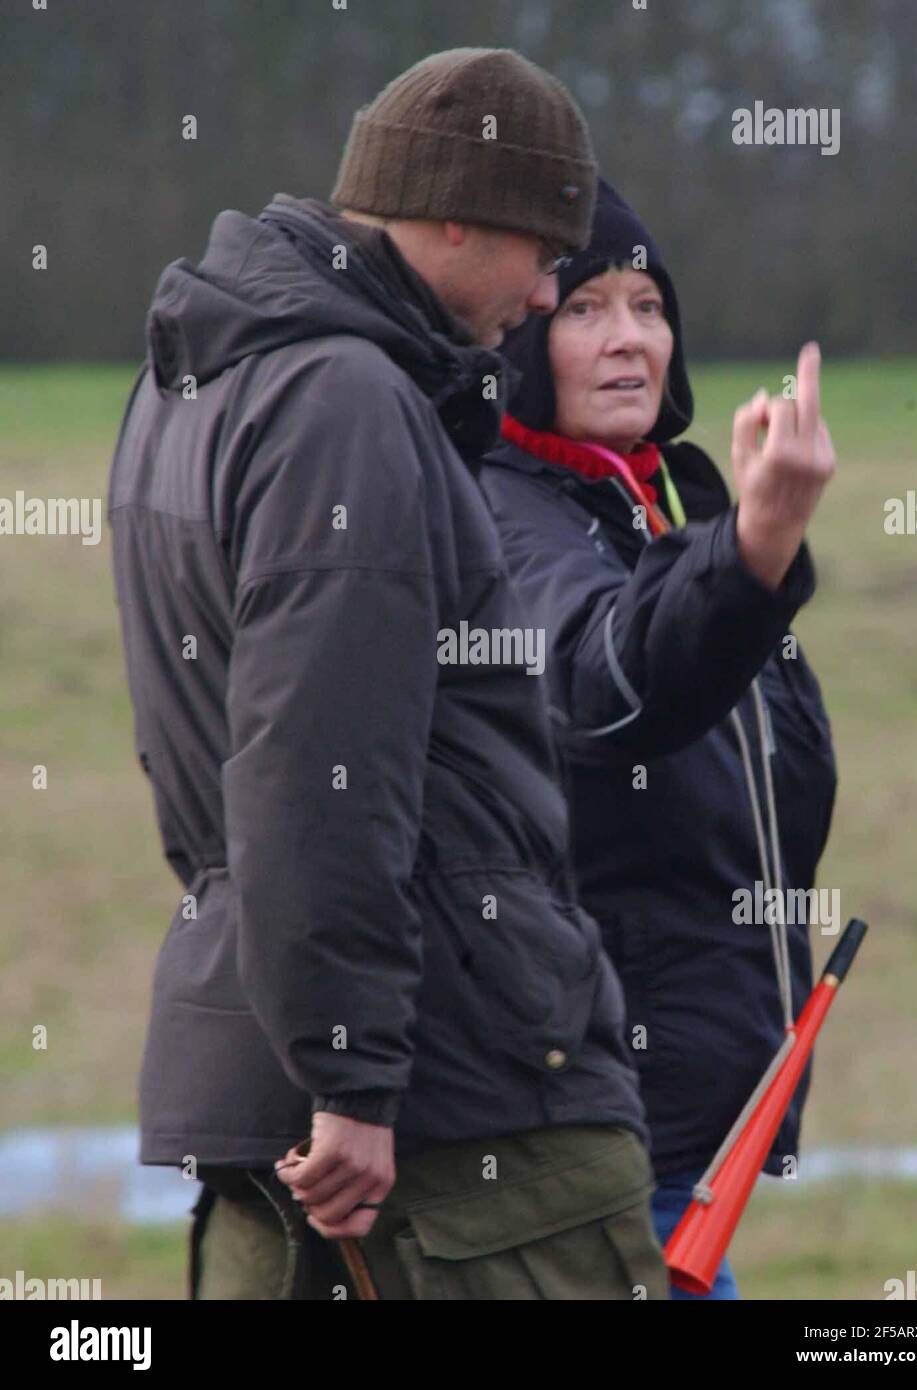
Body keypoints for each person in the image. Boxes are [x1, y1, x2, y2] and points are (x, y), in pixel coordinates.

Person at [108, 51, 669, 1301]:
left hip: (261, 1060)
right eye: (541, 248)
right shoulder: (348, 400)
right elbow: (314, 765)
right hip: (444, 1096)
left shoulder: (188, 382)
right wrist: (353, 1068)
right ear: (452, 210)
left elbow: (205, 756)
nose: (543, 292)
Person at [479, 178, 839, 1299]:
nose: (629, 339)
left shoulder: (657, 505)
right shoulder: (499, 512)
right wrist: (757, 546)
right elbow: (607, 685)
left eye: (649, 304)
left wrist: (733, 545)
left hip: (682, 1124)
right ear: (520, 336)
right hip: (582, 1123)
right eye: (586, 308)